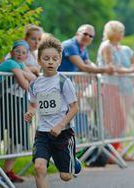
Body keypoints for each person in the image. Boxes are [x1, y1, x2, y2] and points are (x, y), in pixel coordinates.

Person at [24, 36, 81, 188]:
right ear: (39, 60)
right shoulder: (35, 84)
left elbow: (75, 107)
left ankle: (71, 161)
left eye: (54, 59)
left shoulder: (63, 82)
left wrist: (60, 125)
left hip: (63, 133)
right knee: (39, 168)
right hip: (43, 133)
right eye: (46, 58)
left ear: (59, 61)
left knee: (66, 176)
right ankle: (59, 157)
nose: (50, 62)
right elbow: (33, 104)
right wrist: (30, 112)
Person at [0, 40, 36, 184]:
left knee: (17, 136)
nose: (20, 54)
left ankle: (3, 171)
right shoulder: (12, 62)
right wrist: (28, 73)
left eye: (23, 52)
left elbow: (34, 79)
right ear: (11, 52)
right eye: (17, 51)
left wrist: (27, 72)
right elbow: (26, 83)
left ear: (27, 54)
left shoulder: (22, 63)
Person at [97, 20, 134, 162]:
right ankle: (111, 153)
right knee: (113, 122)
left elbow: (133, 65)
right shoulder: (106, 46)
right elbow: (111, 67)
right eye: (120, 31)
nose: (122, 34)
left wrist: (133, 70)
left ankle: (116, 151)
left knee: (120, 122)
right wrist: (130, 70)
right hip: (108, 85)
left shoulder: (122, 48)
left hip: (117, 87)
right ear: (113, 32)